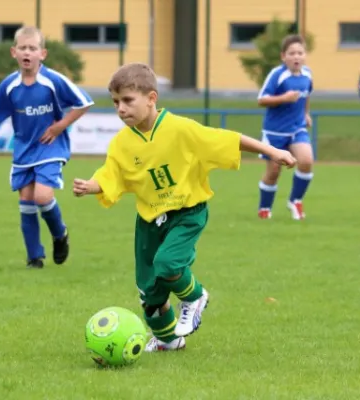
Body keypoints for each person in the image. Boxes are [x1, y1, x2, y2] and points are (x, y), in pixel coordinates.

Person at [73, 63, 296, 352]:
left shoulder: (180, 129)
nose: (121, 108)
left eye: (128, 100)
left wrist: (273, 151)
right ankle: (168, 340)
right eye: (116, 102)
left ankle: (195, 297)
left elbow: (229, 140)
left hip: (187, 213)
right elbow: (112, 174)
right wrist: (93, 185)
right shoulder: (121, 143)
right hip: (150, 220)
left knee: (168, 264)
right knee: (149, 290)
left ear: (152, 98)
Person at [0, 26, 93, 268]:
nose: (27, 52)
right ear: (14, 52)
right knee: (26, 199)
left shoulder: (53, 80)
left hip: (51, 146)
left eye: (32, 48)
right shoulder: (10, 85)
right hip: (24, 149)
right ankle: (35, 257)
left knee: (43, 196)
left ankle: (59, 234)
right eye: (22, 48)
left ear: (42, 54)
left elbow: (84, 103)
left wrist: (59, 126)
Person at [256, 34, 314, 220]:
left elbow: (306, 95)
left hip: (297, 128)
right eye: (292, 53)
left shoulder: (307, 74)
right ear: (283, 56)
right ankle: (265, 208)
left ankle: (295, 200)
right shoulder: (277, 75)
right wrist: (284, 98)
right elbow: (262, 100)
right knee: (273, 172)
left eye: (300, 52)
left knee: (306, 161)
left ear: (305, 55)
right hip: (275, 132)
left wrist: (306, 114)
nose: (296, 56)